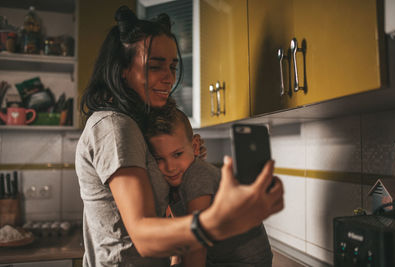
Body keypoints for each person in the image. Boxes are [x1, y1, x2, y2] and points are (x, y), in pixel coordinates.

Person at [75, 5, 284, 267]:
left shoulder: (134, 127)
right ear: (122, 70)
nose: (169, 78)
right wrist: (216, 222)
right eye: (155, 66)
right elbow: (143, 236)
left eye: (172, 67)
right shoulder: (116, 126)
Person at [145, 106, 273, 267]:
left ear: (195, 146)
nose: (170, 167)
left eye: (177, 154)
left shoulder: (198, 175)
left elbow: (196, 245)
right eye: (159, 159)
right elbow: (184, 235)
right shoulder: (171, 184)